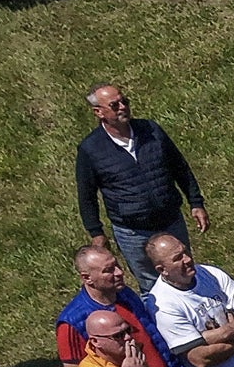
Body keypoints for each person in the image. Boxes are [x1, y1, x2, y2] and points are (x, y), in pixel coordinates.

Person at [69, 85, 207, 250]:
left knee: (184, 270)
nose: (123, 107)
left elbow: (180, 167)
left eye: (124, 102)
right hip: (132, 234)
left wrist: (196, 203)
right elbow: (87, 195)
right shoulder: (90, 149)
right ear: (98, 112)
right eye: (114, 105)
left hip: (172, 222)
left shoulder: (151, 130)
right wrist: (96, 233)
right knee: (148, 277)